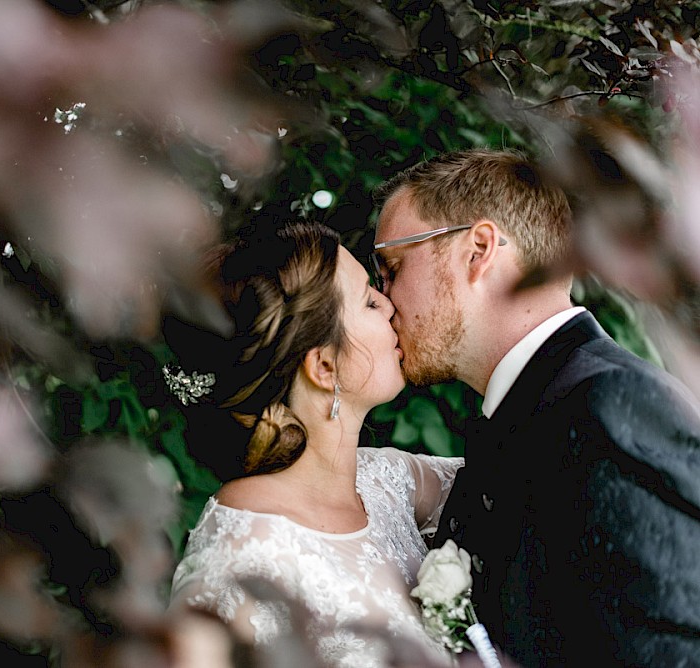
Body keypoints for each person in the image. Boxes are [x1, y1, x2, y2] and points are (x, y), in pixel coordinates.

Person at [369, 148, 700, 667]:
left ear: (478, 250)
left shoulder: (609, 407)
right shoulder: (531, 411)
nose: (383, 298)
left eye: (390, 266)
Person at [162, 222, 464, 667]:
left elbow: (521, 477)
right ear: (323, 366)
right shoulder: (240, 563)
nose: (389, 305)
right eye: (367, 299)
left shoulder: (387, 482)